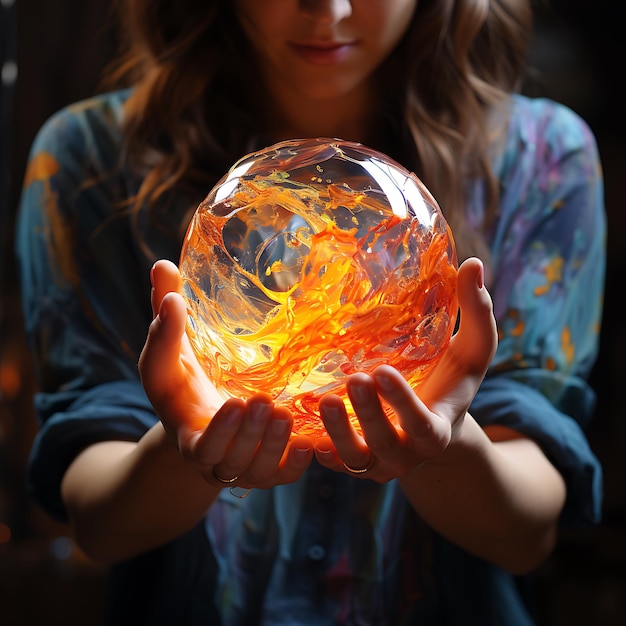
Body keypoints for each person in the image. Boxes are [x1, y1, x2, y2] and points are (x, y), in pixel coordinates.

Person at [15, 1, 605, 624]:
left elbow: (526, 538)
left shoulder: (542, 158)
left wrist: (449, 446)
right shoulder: (87, 160)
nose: (329, 9)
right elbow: (100, 527)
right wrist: (182, 450)